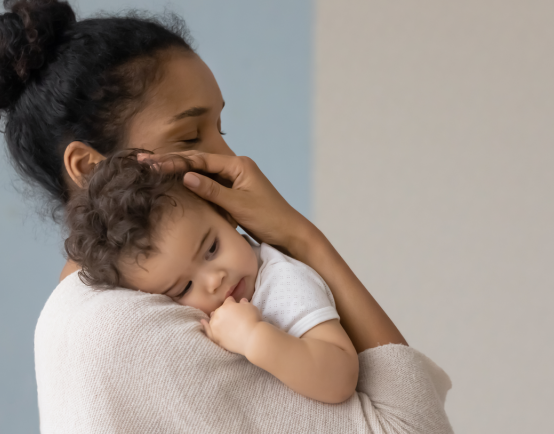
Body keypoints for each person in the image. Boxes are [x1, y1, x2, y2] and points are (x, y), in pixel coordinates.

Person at [0, 0, 468, 434]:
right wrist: (303, 239)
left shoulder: (95, 313)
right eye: (190, 137)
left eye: (221, 128)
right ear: (90, 168)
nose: (235, 161)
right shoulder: (134, 334)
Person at [63, 150, 359, 405]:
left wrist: (254, 338)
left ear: (226, 215)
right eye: (184, 287)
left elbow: (341, 375)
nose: (214, 280)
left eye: (212, 248)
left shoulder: (282, 283)